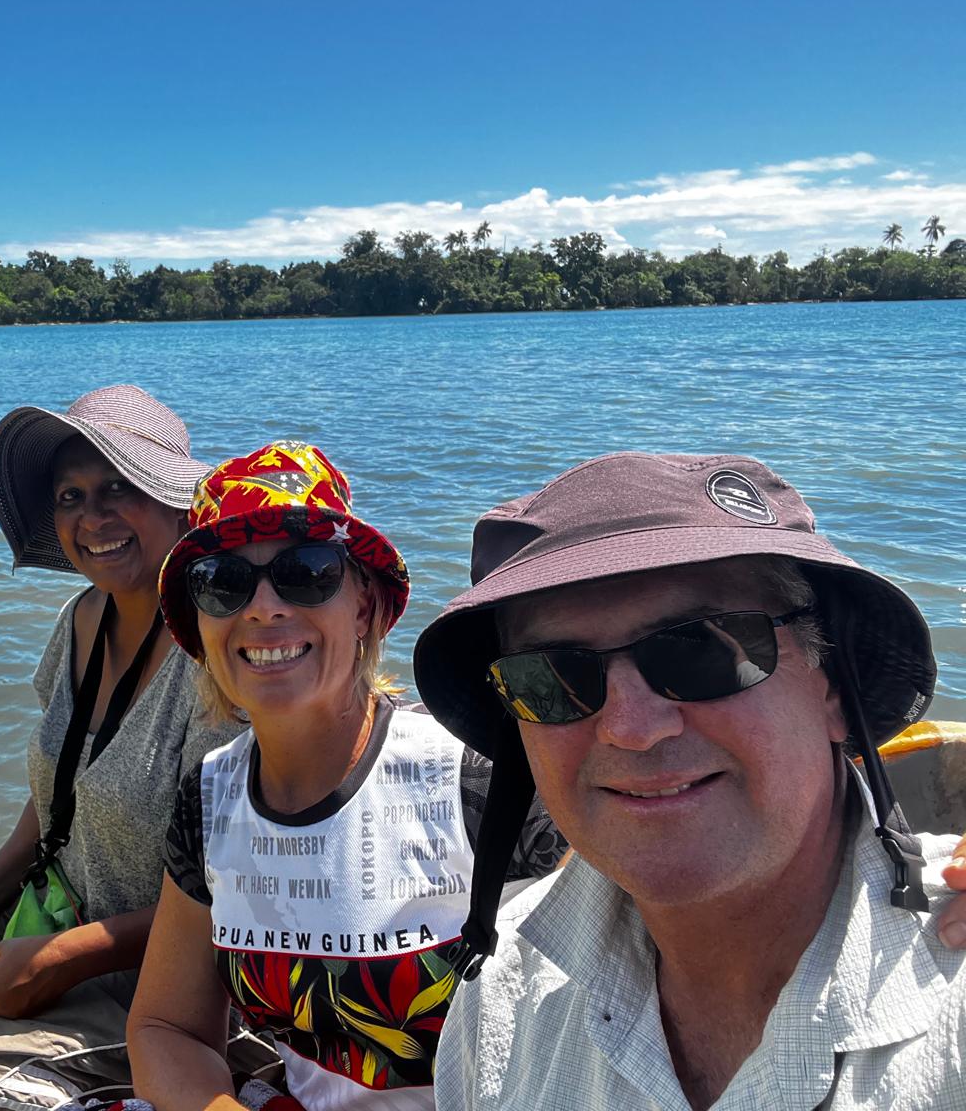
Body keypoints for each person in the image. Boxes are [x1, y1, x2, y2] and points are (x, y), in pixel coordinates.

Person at [414, 451, 966, 1110]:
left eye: (701, 649)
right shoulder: (502, 994)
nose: (631, 728)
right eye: (551, 678)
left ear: (833, 689)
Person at [0, 385, 273, 1111]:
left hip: (176, 977)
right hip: (58, 913)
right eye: (71, 496)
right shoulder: (81, 618)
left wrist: (63, 959)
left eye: (119, 488)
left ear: (178, 504)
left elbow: (241, 889)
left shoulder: (219, 655)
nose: (94, 517)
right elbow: (59, 797)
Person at [128, 441, 568, 1111]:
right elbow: (167, 1027)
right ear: (200, 622)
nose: (263, 607)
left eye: (306, 572)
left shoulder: (477, 779)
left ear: (363, 608)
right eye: (222, 581)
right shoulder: (210, 799)